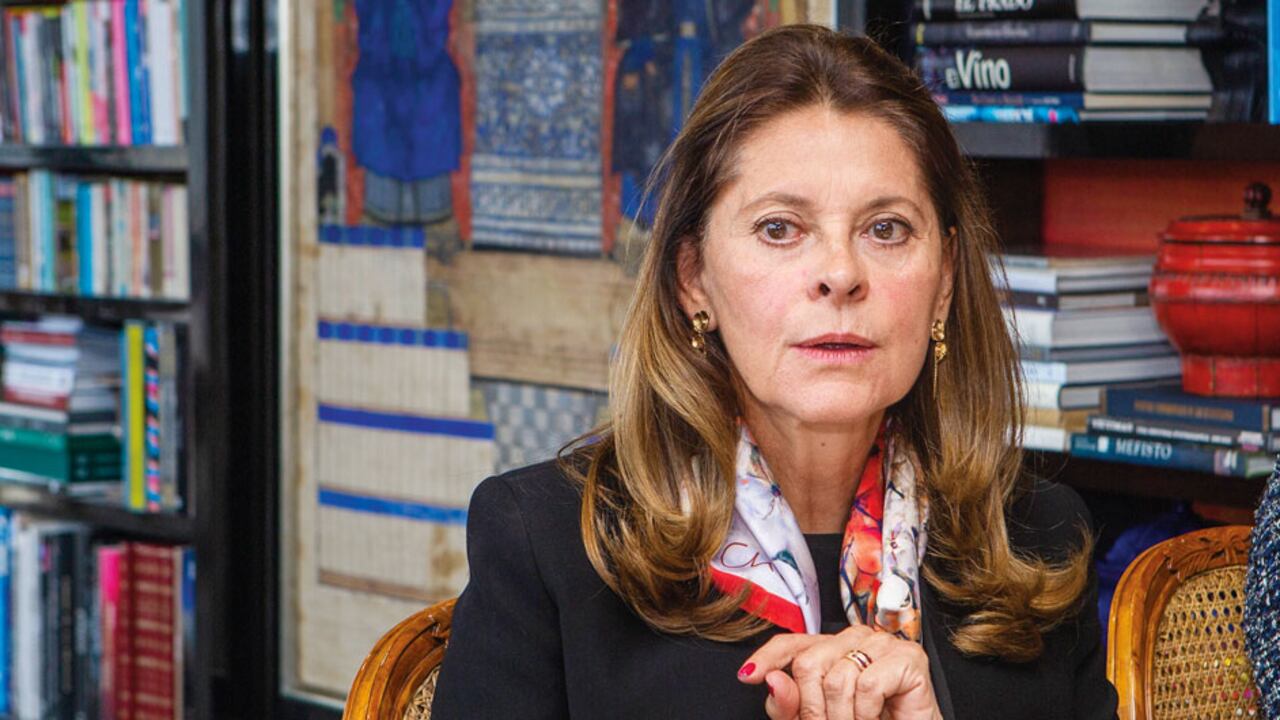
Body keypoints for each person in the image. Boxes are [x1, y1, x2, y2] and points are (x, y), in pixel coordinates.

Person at [431, 23, 1119, 720]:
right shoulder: (548, 543)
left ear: (943, 283)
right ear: (693, 278)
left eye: (885, 229)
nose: (841, 274)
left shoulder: (1039, 541)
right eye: (780, 228)